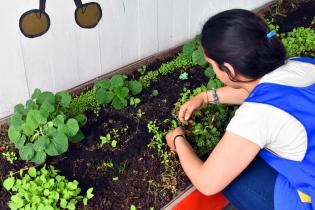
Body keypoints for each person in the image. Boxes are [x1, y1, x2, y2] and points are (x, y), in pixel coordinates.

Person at [165, 9, 315, 210]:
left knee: (231, 178)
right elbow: (272, 94)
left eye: (212, 65)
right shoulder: (302, 65)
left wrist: (178, 140)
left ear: (229, 70)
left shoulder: (258, 115)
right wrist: (208, 97)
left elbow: (207, 182)